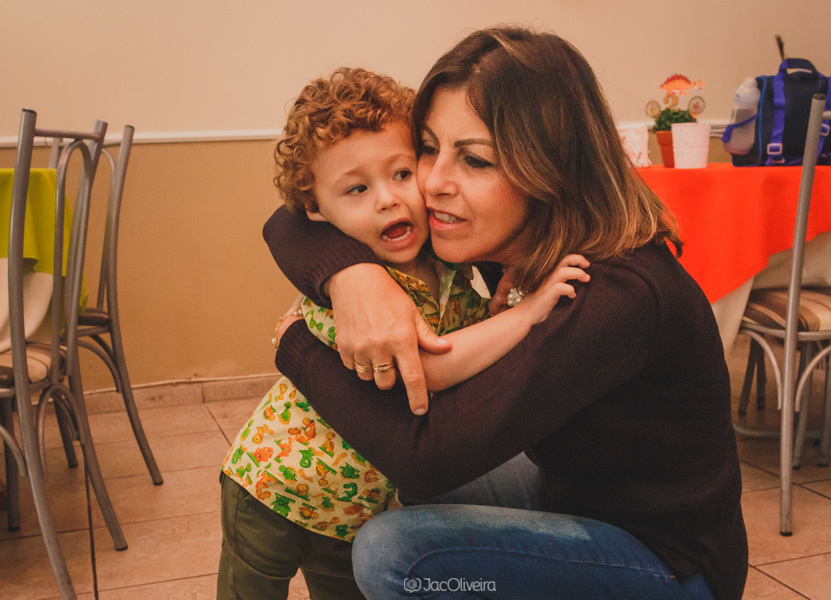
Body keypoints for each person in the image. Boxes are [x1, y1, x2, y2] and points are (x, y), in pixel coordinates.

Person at [266, 27, 748, 600]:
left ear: (549, 168)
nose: (432, 182)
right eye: (427, 148)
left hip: (670, 566)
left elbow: (424, 457)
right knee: (397, 492)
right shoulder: (513, 235)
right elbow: (288, 220)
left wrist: (296, 348)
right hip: (574, 492)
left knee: (398, 555)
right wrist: (353, 277)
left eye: (474, 160)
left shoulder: (614, 294)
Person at [219, 66, 588, 600]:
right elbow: (432, 367)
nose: (389, 200)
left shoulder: (454, 273)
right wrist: (527, 315)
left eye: (400, 174)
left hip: (354, 507)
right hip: (270, 489)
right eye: (357, 189)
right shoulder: (351, 295)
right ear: (316, 211)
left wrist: (506, 302)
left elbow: (476, 349)